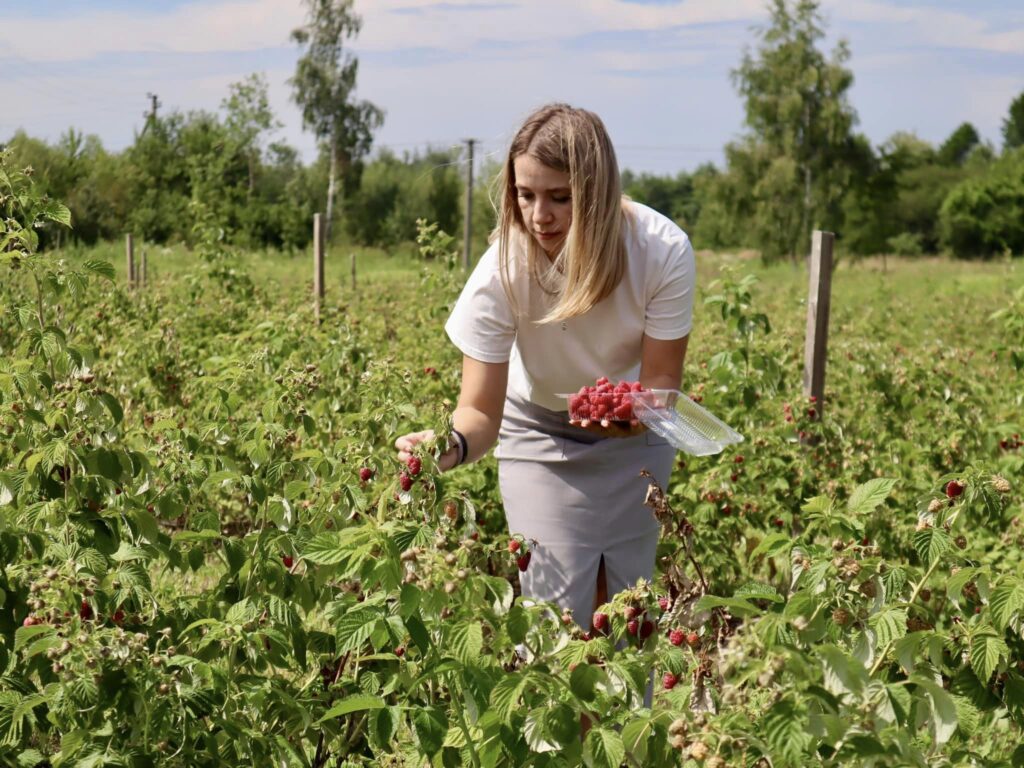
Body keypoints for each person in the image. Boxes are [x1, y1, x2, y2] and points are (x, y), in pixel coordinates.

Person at [395, 102, 695, 632]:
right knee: (555, 621)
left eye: (560, 197)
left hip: (636, 436)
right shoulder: (503, 269)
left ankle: (622, 718)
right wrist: (446, 446)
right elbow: (480, 411)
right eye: (525, 195)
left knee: (628, 618)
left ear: (599, 195)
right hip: (538, 434)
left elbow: (663, 382)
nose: (540, 216)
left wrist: (634, 414)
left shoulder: (661, 250)